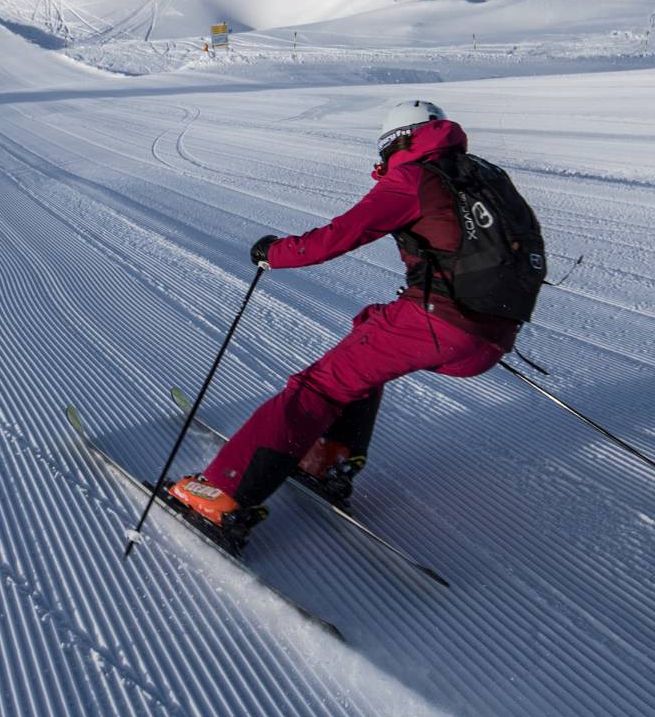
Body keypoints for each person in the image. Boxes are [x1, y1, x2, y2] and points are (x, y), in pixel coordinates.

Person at [168, 99, 530, 538]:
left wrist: (273, 254)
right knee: (369, 329)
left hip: (439, 322)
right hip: (494, 333)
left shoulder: (413, 177)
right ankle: (328, 456)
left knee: (316, 387)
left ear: (397, 141)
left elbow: (340, 236)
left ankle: (222, 498)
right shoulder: (485, 175)